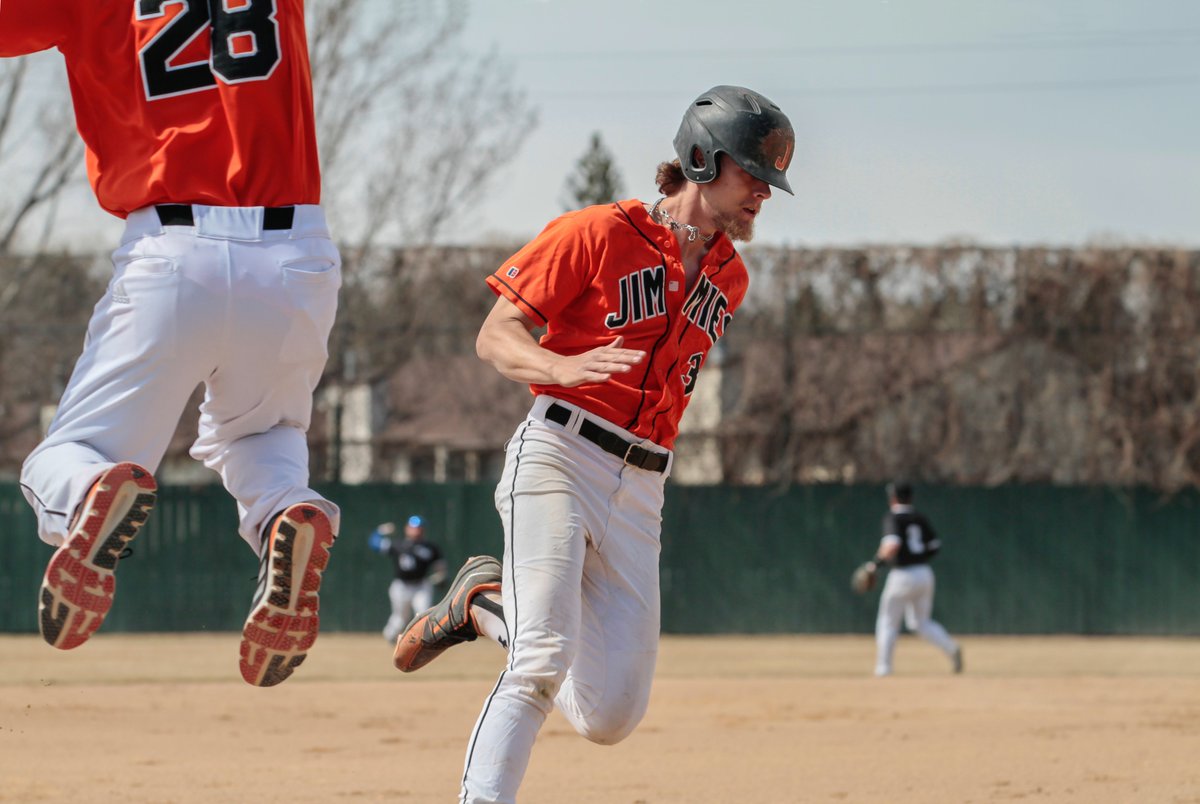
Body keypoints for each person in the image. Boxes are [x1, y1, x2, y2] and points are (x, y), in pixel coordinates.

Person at [391, 85, 795, 803]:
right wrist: (560, 368)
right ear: (702, 159)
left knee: (611, 715)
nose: (762, 192)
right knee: (542, 664)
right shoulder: (595, 233)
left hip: (643, 487)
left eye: (769, 181)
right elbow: (495, 336)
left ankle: (484, 602)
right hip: (560, 453)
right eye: (751, 174)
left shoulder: (731, 277)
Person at [3, 0, 341, 687]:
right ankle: (283, 510)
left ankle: (89, 488)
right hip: (296, 252)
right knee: (259, 433)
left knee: (61, 458)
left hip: (172, 249)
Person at [872, 481, 963, 677]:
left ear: (893, 498)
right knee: (920, 622)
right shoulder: (919, 518)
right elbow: (935, 546)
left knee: (888, 621)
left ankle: (883, 668)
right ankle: (951, 648)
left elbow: (892, 545)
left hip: (902, 574)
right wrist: (919, 559)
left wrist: (875, 565)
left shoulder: (893, 518)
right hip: (924, 573)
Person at [369, 515, 447, 642]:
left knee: (423, 614)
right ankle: (390, 638)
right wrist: (380, 531)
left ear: (423, 530)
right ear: (407, 528)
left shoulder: (431, 547)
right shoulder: (398, 545)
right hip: (401, 586)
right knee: (400, 619)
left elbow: (440, 567)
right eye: (413, 527)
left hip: (421, 585)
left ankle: (422, 642)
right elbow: (374, 544)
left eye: (419, 527)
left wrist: (441, 576)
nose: (416, 530)